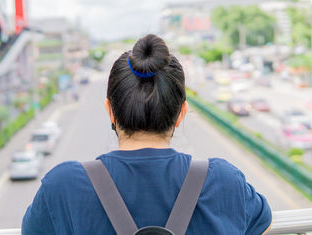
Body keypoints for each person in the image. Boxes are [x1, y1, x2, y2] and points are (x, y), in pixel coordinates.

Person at [22, 34, 272, 234]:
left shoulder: (63, 186)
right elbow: (264, 224)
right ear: (181, 113)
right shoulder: (225, 181)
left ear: (110, 111)